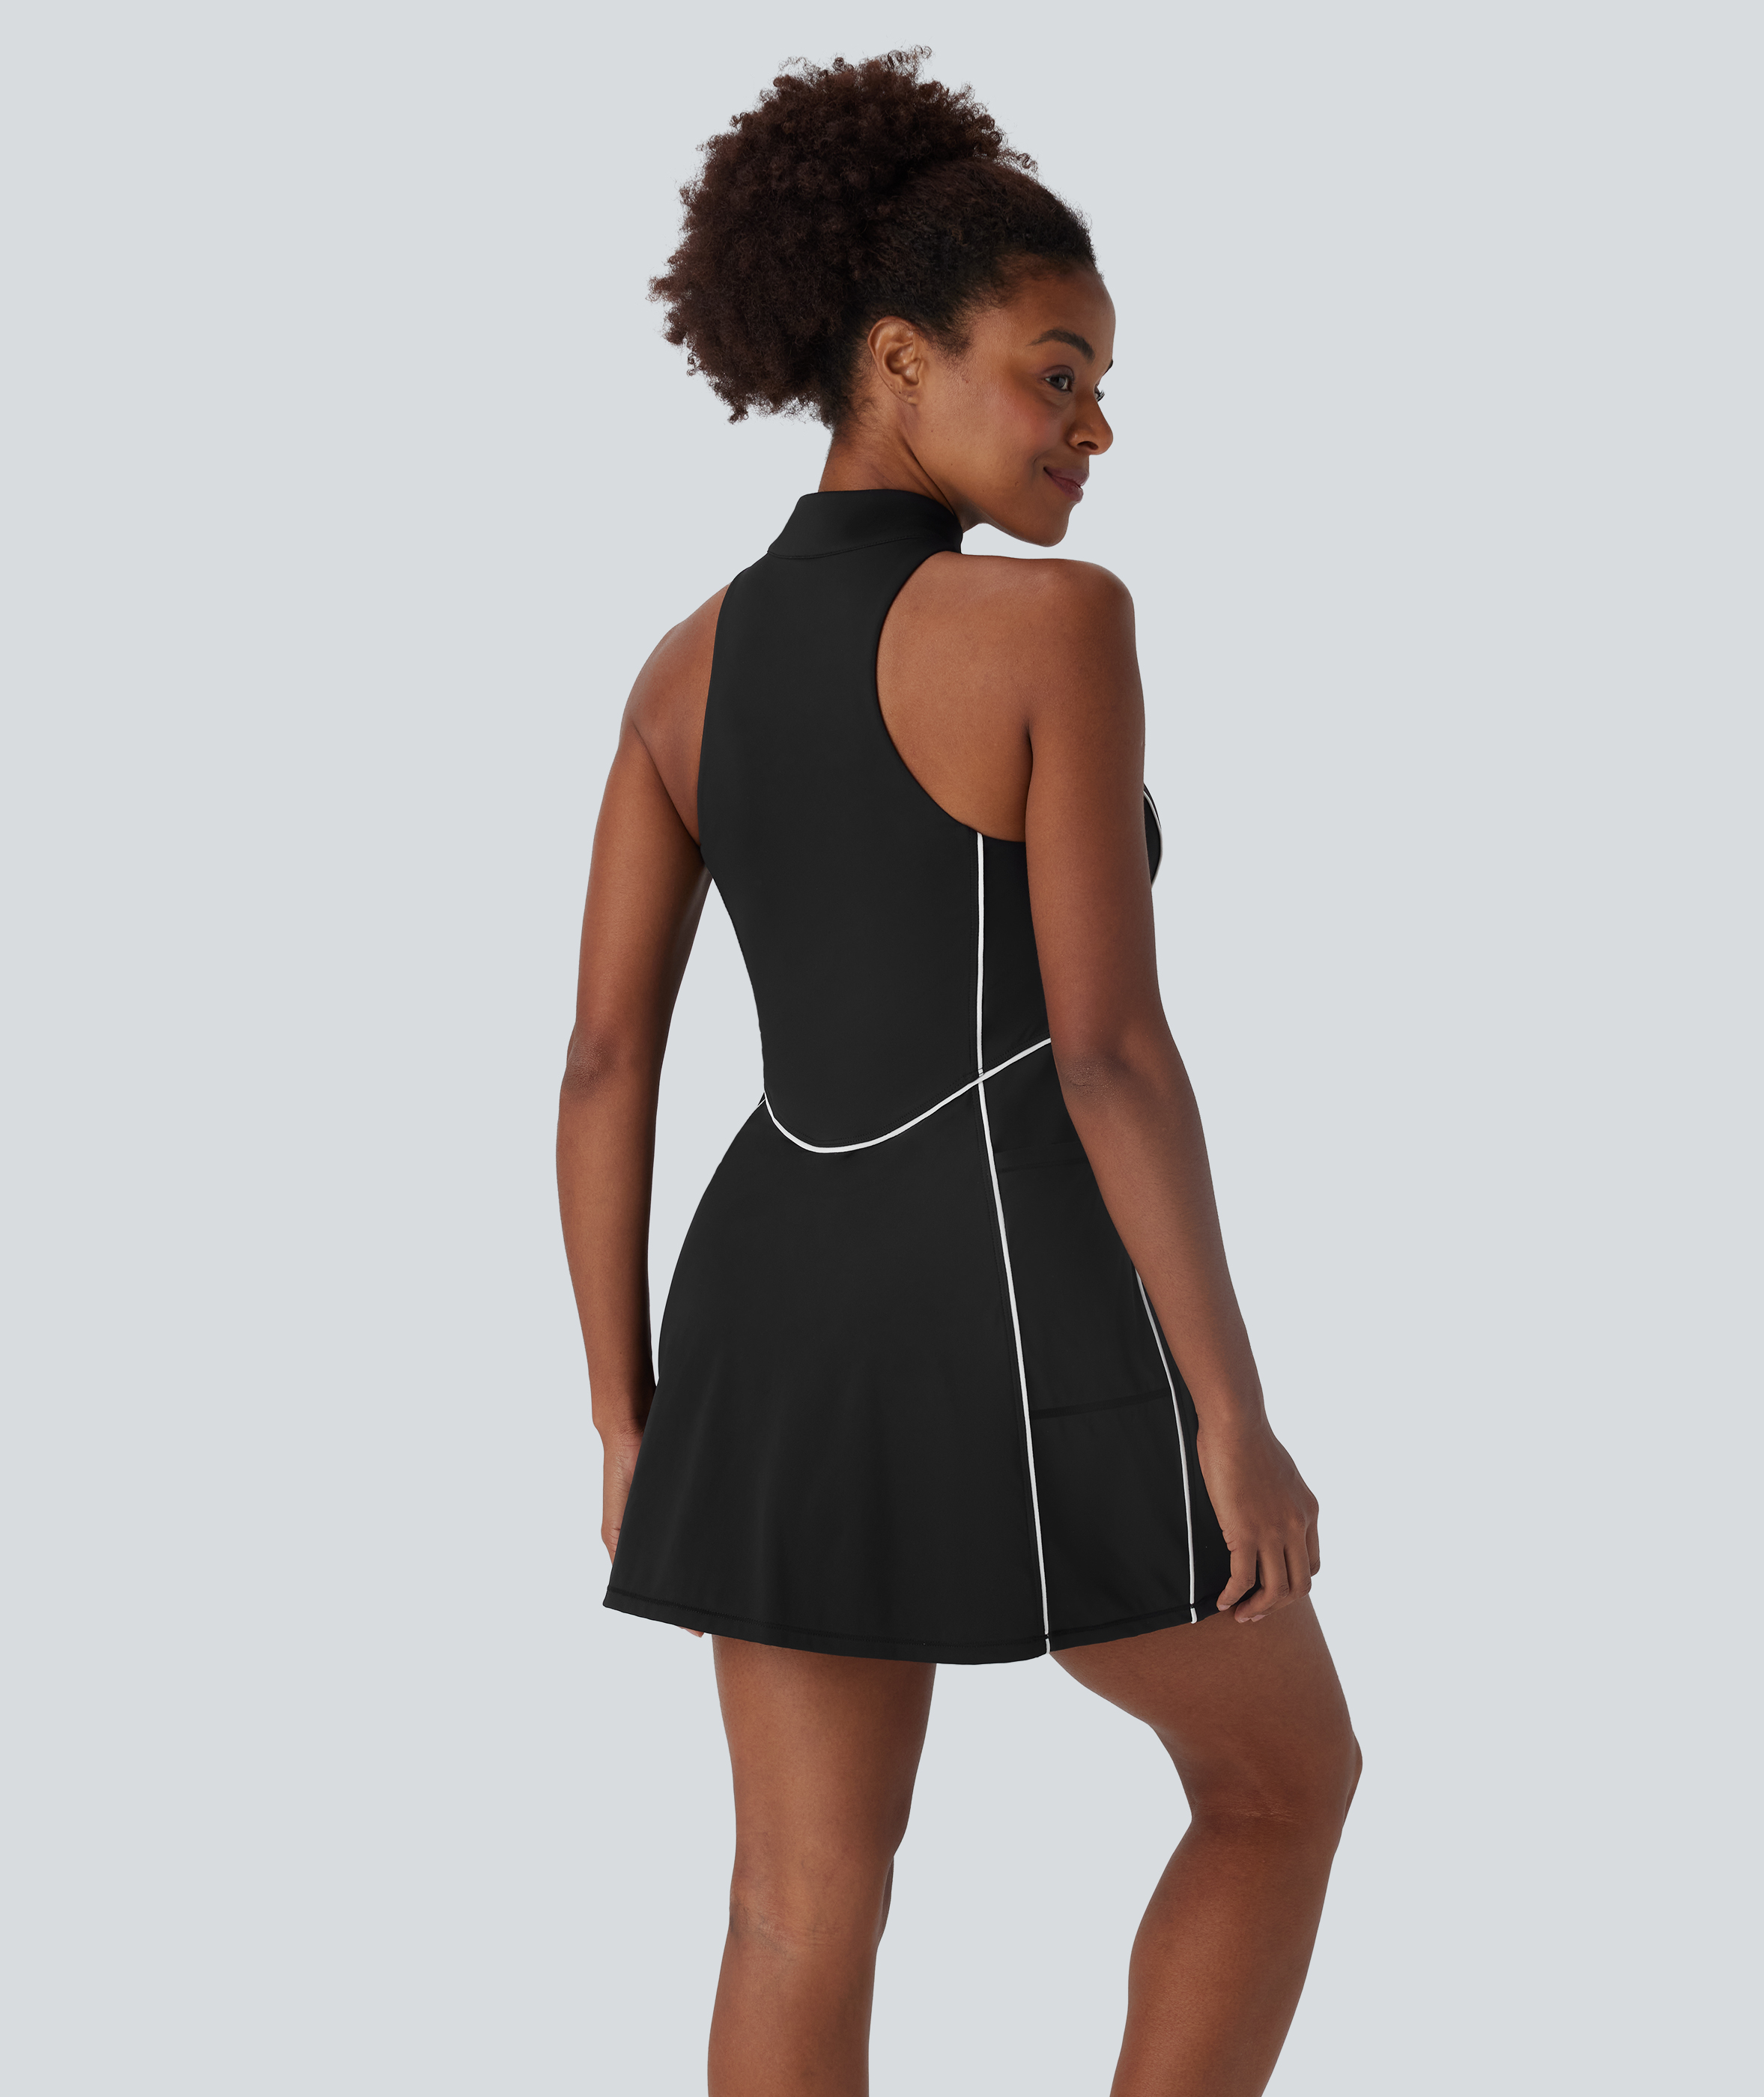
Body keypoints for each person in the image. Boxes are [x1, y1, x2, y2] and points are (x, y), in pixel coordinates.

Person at [557, 49, 1360, 2097]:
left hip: (764, 1310)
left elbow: (603, 1062)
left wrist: (629, 1418)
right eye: (1056, 372)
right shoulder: (1055, 628)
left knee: (797, 1897)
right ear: (899, 357)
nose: (1096, 427)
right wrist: (1235, 1416)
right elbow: (1107, 1051)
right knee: (1285, 1783)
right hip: (1013, 1287)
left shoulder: (679, 670)